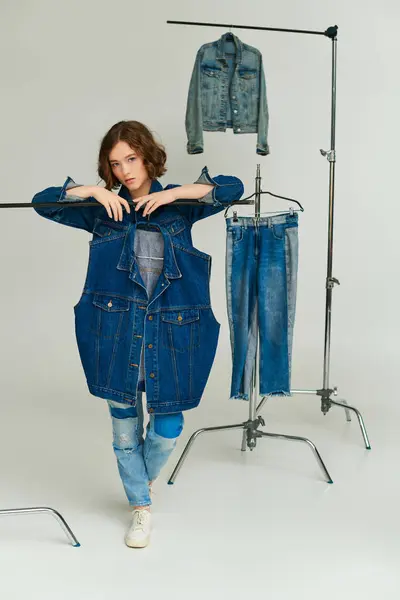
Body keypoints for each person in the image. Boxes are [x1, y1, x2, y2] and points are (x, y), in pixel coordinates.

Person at [32, 120, 244, 548]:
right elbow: (43, 203)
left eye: (131, 158)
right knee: (124, 428)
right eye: (115, 164)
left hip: (172, 330)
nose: (125, 170)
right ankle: (141, 510)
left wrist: (174, 192)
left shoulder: (179, 207)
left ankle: (137, 485)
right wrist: (93, 192)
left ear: (148, 156)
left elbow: (231, 187)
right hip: (114, 330)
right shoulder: (103, 210)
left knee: (168, 424)